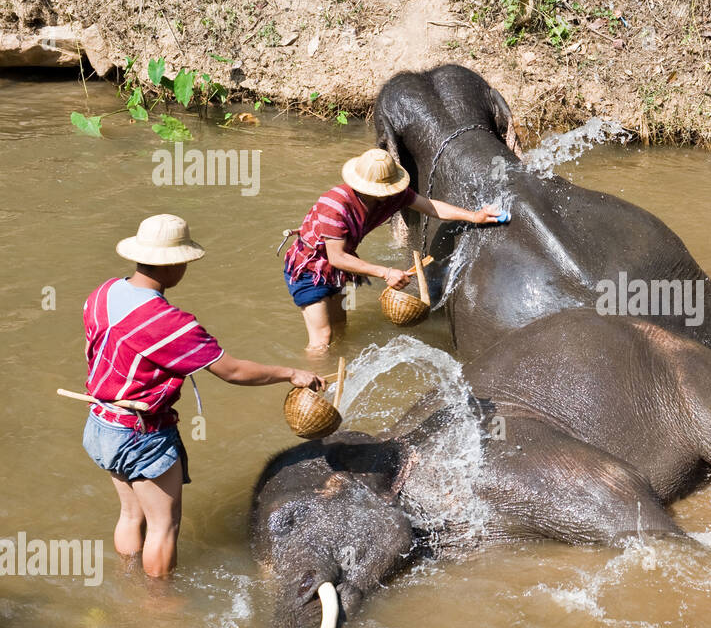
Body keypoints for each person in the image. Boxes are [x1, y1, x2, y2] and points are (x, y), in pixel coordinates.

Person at [82, 214, 324, 579]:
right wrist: (291, 372)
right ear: (175, 265)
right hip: (141, 434)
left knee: (132, 514)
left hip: (102, 422)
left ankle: (127, 580)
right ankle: (158, 608)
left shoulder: (103, 292)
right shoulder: (169, 322)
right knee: (164, 526)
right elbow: (233, 371)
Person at [283, 148, 507, 352]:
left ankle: (338, 364)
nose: (386, 194)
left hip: (338, 269)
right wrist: (386, 272)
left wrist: (474, 216)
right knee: (323, 337)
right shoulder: (335, 207)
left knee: (340, 326)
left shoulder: (391, 196)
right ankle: (313, 384)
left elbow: (429, 206)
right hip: (309, 269)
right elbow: (337, 257)